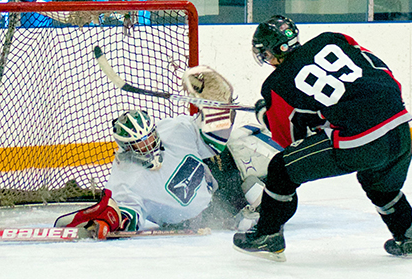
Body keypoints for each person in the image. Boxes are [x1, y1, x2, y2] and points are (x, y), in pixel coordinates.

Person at [232, 15, 412, 262]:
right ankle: (410, 239)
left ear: (273, 51)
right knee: (380, 184)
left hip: (360, 141)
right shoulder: (332, 39)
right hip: (400, 125)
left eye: (266, 54)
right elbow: (378, 69)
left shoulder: (276, 84)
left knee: (281, 169)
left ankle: (267, 235)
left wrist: (265, 114)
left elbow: (289, 141)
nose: (267, 60)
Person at [54, 66, 281, 238]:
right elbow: (129, 214)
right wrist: (114, 220)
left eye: (150, 137)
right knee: (256, 193)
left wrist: (217, 105)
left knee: (251, 147)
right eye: (139, 144)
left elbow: (214, 141)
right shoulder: (125, 181)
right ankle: (261, 216)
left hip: (218, 186)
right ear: (126, 148)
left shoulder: (174, 129)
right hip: (197, 218)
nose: (149, 145)